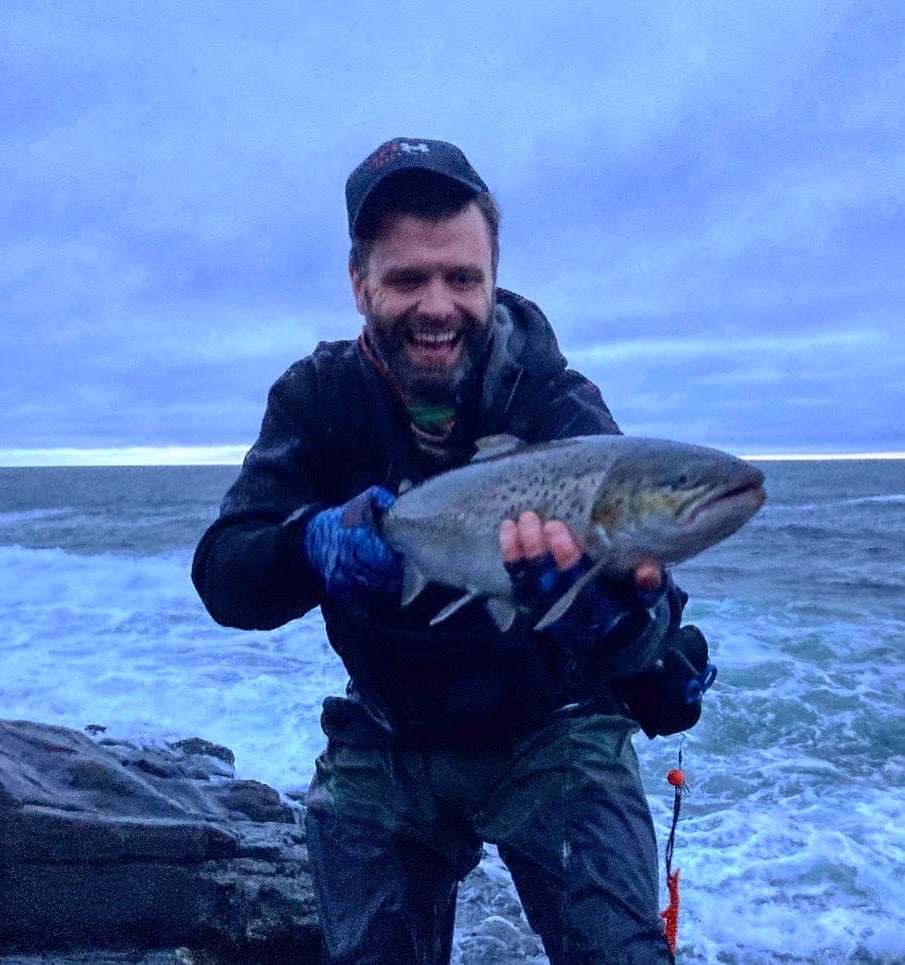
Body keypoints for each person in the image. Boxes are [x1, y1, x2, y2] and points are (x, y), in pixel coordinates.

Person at [192, 138, 714, 964]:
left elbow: (654, 614)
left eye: (461, 278)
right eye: (406, 279)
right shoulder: (316, 397)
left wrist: (607, 615)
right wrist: (307, 545)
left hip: (552, 726)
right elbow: (223, 571)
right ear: (359, 284)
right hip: (387, 728)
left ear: (491, 280)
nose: (437, 303)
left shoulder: (553, 398)